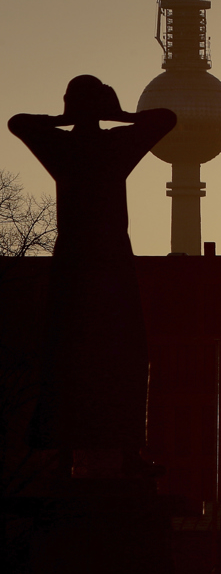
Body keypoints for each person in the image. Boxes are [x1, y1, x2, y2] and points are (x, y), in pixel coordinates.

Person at [8, 76, 176, 477]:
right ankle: (124, 450)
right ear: (103, 106)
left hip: (74, 261)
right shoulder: (116, 146)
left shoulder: (61, 147)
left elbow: (18, 122)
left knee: (67, 352)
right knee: (122, 352)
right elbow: (164, 119)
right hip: (112, 261)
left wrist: (64, 119)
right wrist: (120, 115)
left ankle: (64, 453)